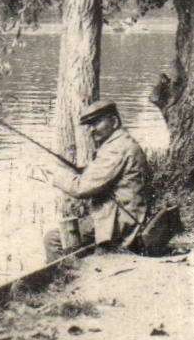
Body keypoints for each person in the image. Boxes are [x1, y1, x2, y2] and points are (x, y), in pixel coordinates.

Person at [44, 99, 151, 258]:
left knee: (53, 239)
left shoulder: (115, 149)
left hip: (120, 221)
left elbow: (81, 188)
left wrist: (55, 175)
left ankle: (65, 279)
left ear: (114, 121)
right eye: (90, 125)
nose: (92, 130)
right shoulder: (123, 142)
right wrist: (85, 171)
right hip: (131, 215)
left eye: (97, 123)